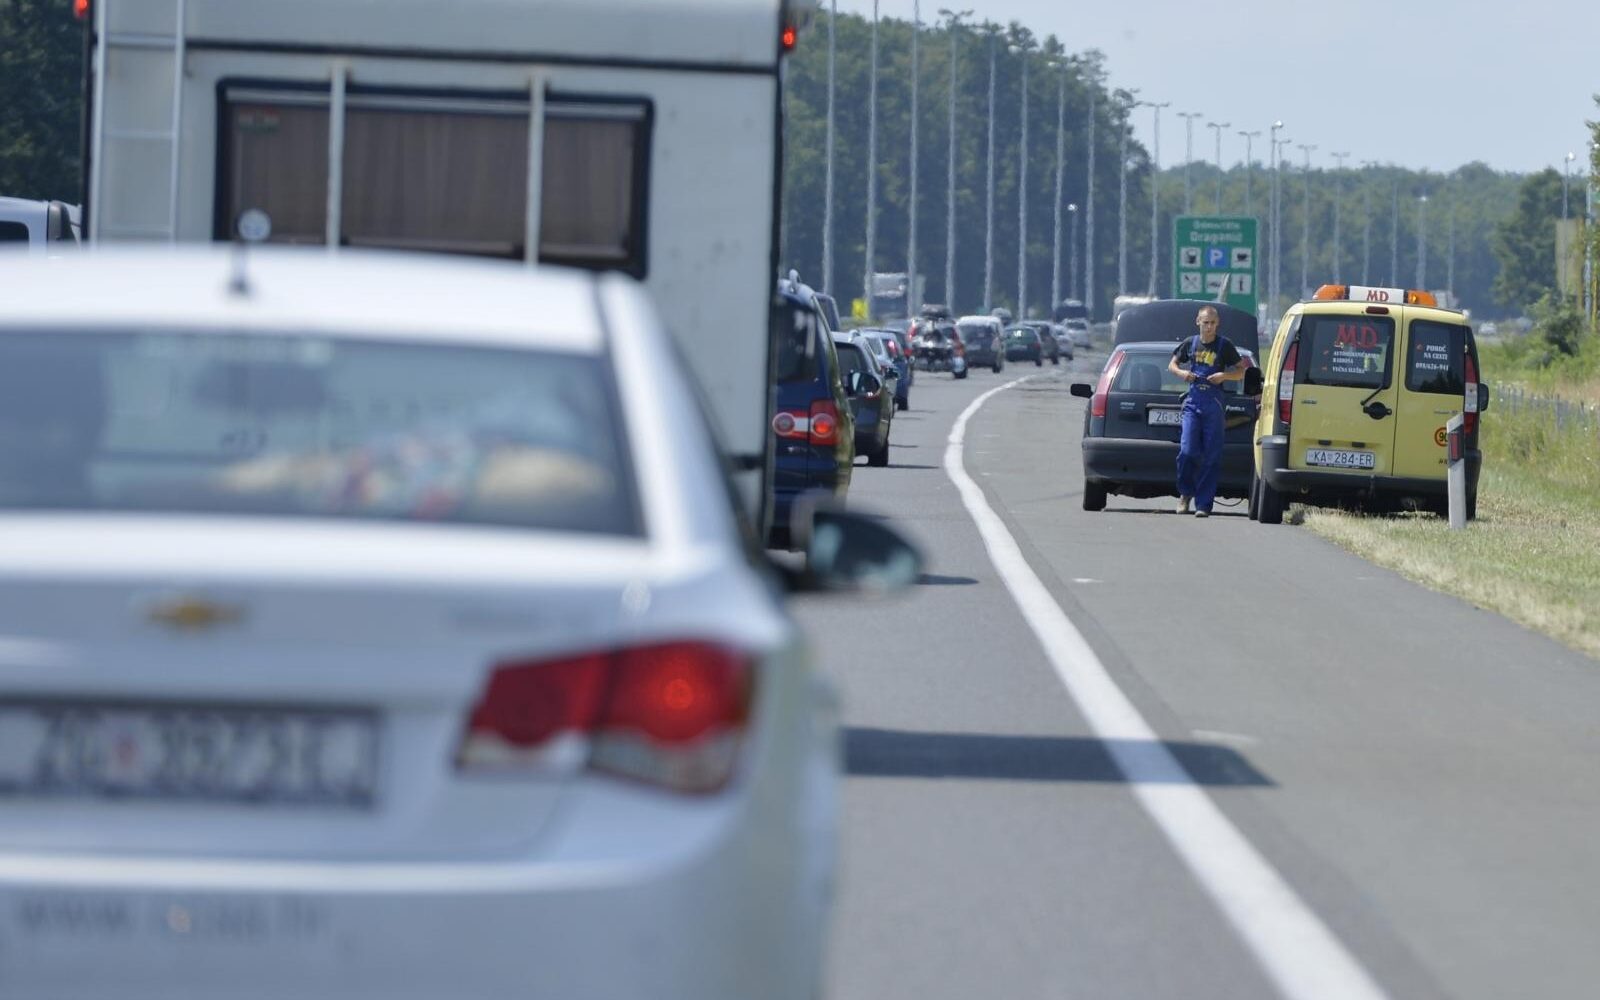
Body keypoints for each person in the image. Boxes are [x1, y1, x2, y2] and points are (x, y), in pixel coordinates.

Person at [1167, 304, 1248, 518]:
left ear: (1217, 323)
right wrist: (1182, 374)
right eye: (1205, 323)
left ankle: (1203, 504)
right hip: (1193, 402)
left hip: (1214, 404)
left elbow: (1241, 371)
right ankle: (1185, 493)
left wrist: (1224, 376)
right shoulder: (1190, 343)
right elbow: (1172, 365)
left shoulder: (1224, 345)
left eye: (1212, 323)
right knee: (1187, 451)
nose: (1209, 327)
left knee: (1212, 456)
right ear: (1198, 322)